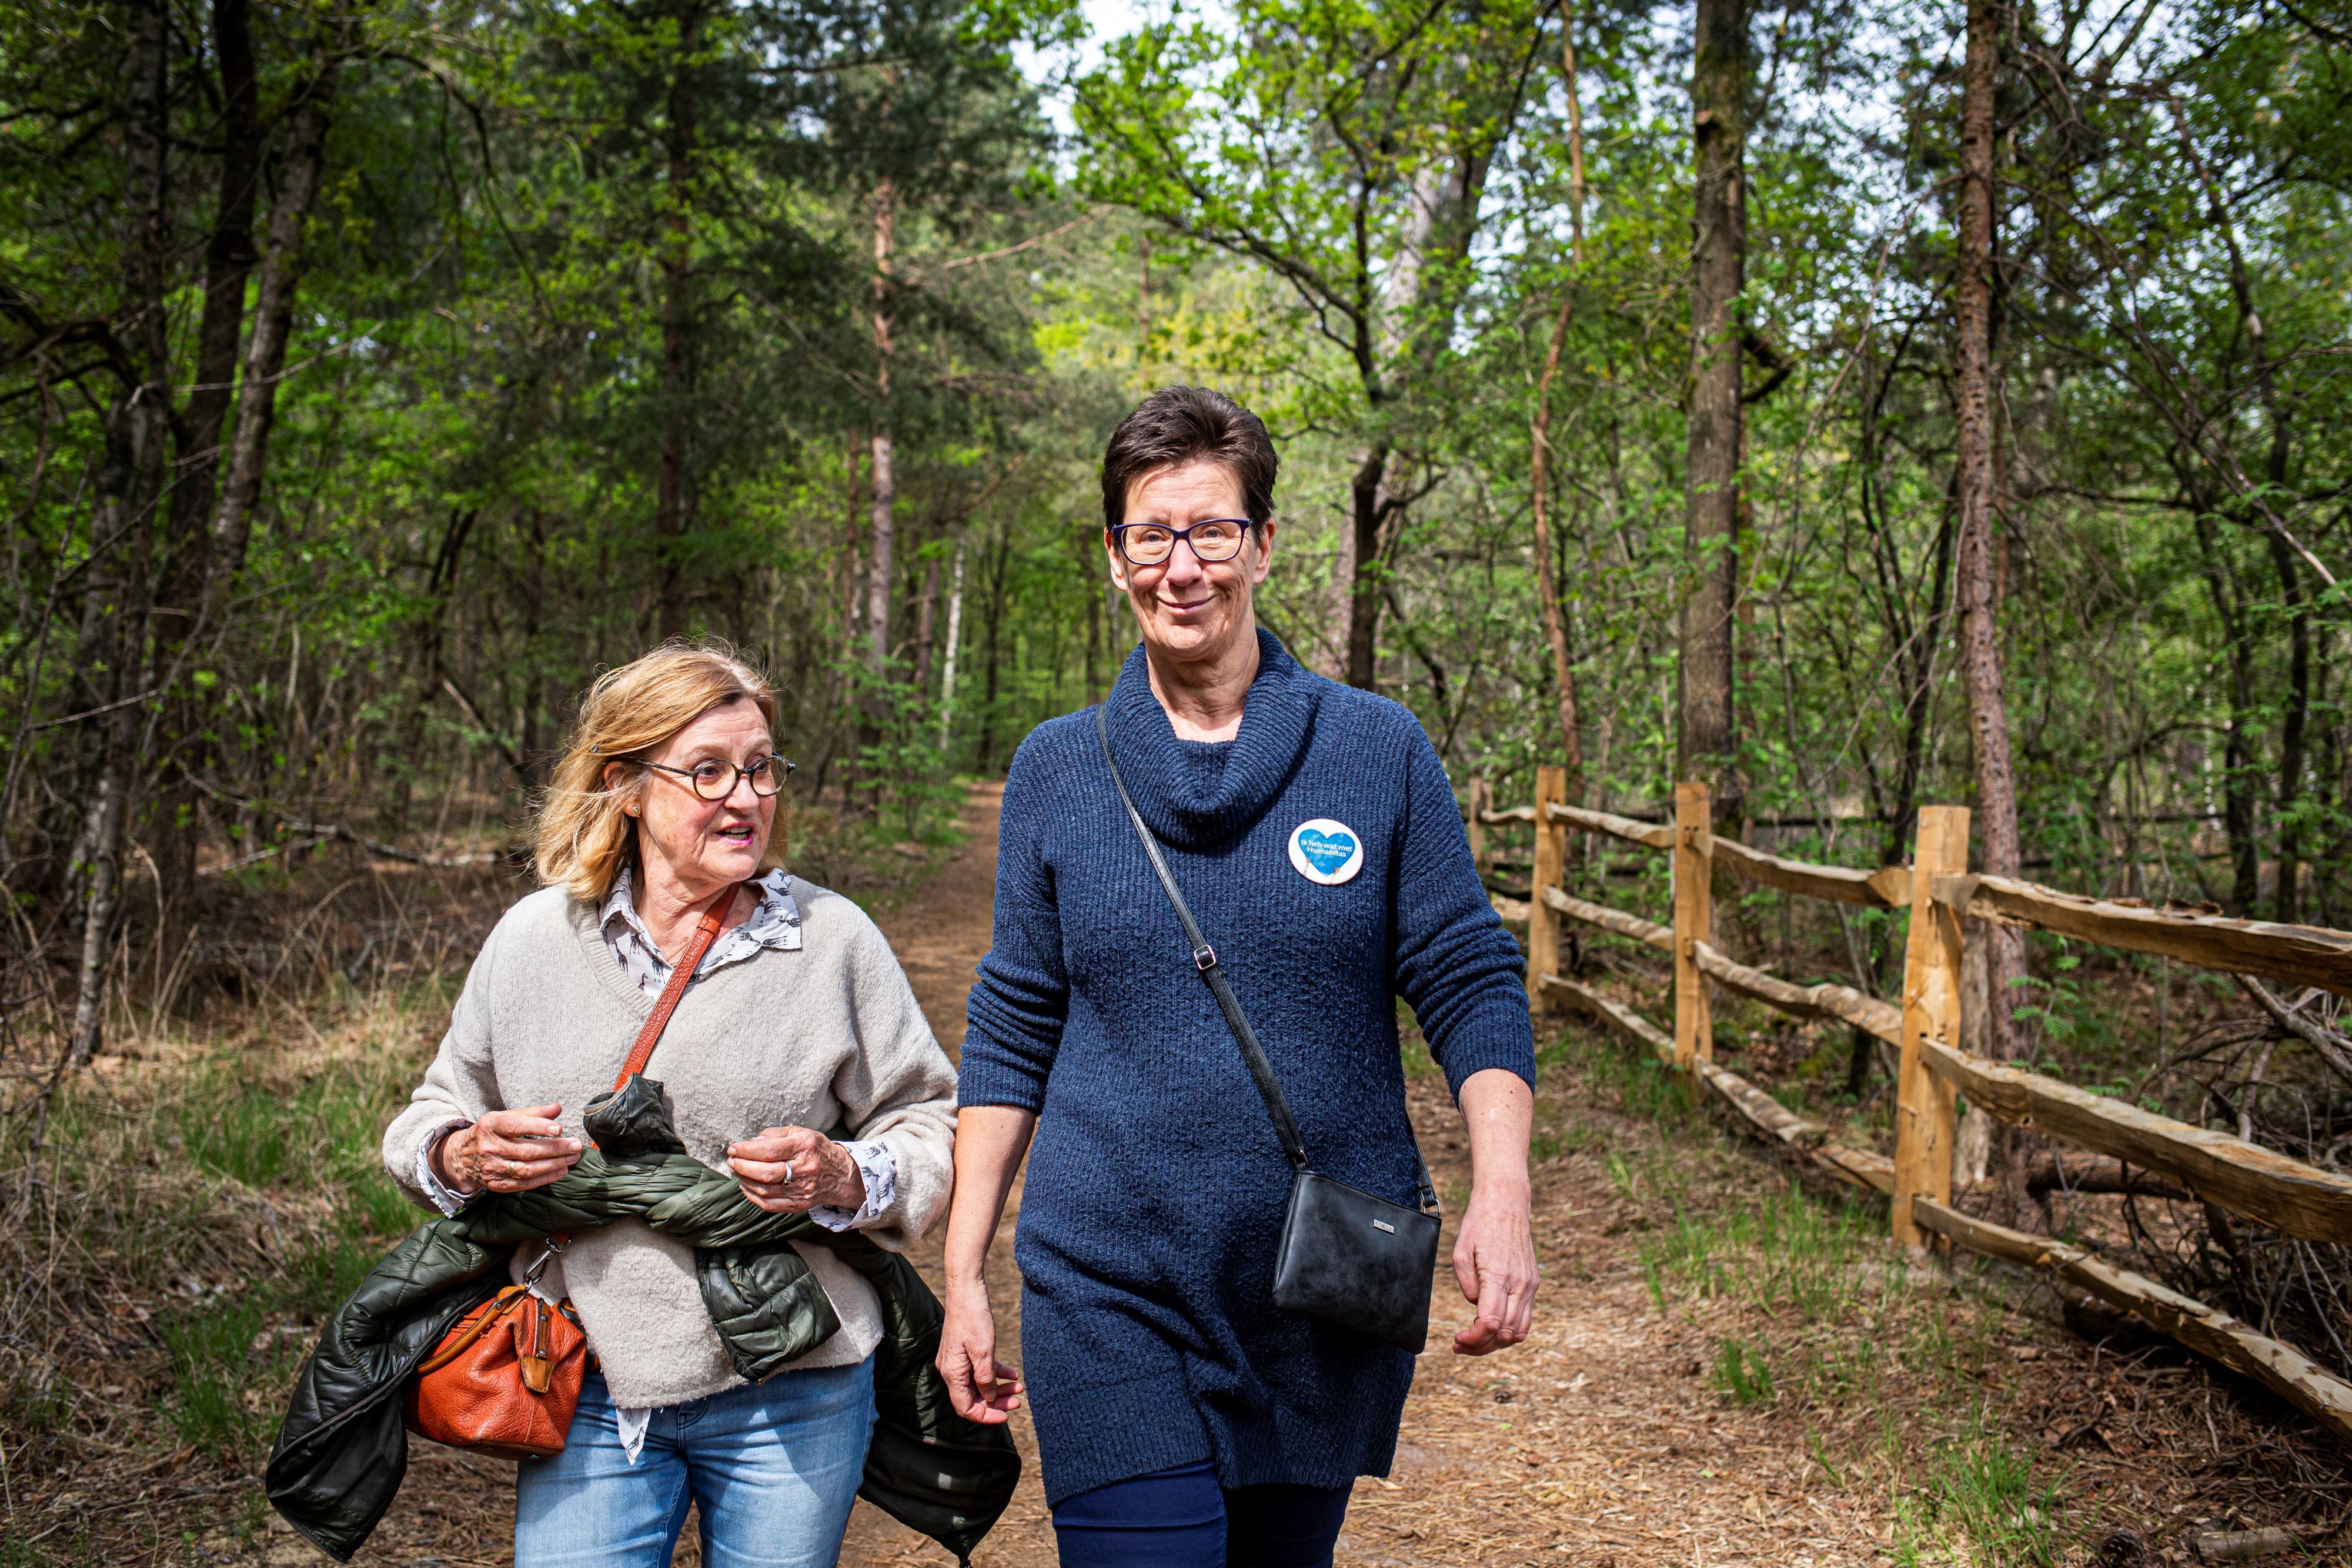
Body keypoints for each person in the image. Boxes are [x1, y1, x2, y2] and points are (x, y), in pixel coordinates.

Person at [936, 386, 1538, 1567]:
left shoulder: (1374, 749)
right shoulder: (1058, 769)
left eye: (1210, 530)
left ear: (1262, 543)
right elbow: (1012, 1021)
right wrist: (962, 1268)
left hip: (1314, 1289)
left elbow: (1468, 979)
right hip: (1105, 1279)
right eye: (1149, 534)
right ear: (1112, 556)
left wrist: (1503, 1189)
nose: (1180, 566)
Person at [382, 644, 958, 1568]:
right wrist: (462, 1156)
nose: (746, 797)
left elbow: (929, 1120)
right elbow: (428, 1117)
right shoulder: (535, 939)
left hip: (795, 1380)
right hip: (588, 1377)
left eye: (762, 768)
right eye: (709, 771)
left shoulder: (832, 938)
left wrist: (844, 1173)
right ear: (625, 785)